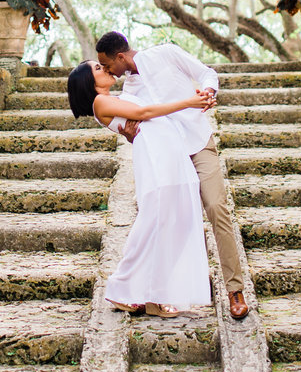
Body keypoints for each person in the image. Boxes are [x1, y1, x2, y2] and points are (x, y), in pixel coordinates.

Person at [95, 31, 250, 321]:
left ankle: (235, 290)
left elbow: (206, 73)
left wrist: (209, 92)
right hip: (168, 161)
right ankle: (165, 292)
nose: (107, 71)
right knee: (171, 220)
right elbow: (139, 124)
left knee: (217, 207)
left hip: (197, 142)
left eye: (107, 65)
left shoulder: (166, 53)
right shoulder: (126, 92)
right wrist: (130, 136)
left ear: (120, 57)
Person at [66, 60, 214, 316]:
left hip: (168, 149)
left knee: (173, 222)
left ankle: (155, 295)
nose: (105, 68)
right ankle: (120, 287)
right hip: (156, 156)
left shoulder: (117, 98)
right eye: (98, 69)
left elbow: (142, 113)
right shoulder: (99, 102)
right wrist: (189, 102)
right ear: (88, 82)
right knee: (154, 220)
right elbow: (145, 113)